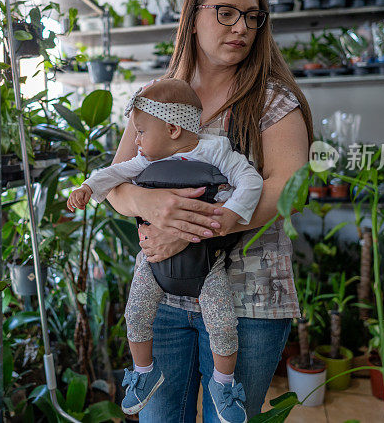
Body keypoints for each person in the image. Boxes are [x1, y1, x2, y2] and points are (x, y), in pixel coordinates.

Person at [104, 0, 313, 422]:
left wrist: (190, 229)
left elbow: (287, 187)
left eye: (252, 17)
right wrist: (147, 203)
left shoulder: (274, 100)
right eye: (226, 13)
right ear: (192, 16)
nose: (241, 26)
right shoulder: (162, 99)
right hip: (163, 292)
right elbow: (118, 180)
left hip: (250, 300)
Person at [67, 78, 264, 422]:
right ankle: (144, 372)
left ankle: (224, 384)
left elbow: (251, 180)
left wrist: (230, 214)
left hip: (207, 264)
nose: (136, 141)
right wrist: (86, 187)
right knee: (136, 314)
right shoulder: (144, 162)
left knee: (222, 323)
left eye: (141, 131)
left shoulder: (216, 151)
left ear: (172, 129)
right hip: (153, 262)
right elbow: (113, 173)